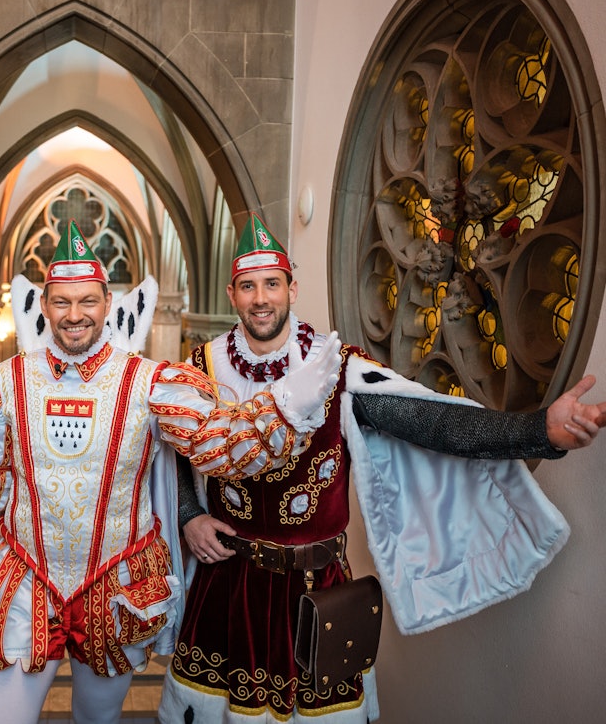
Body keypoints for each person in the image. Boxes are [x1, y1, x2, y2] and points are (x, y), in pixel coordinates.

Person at [158, 213, 606, 723]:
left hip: (316, 590)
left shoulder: (337, 369)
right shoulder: (198, 370)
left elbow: (432, 422)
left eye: (272, 284)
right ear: (232, 294)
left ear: (291, 287)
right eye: (248, 286)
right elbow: (173, 451)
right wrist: (190, 512)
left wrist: (539, 431)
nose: (261, 298)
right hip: (228, 585)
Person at [0, 220, 343, 724]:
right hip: (25, 578)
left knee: (98, 721)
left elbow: (220, 447)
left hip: (118, 585)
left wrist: (285, 408)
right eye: (61, 302)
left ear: (108, 303)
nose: (74, 315)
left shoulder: (151, 382)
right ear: (44, 306)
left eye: (87, 301)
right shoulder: (2, 383)